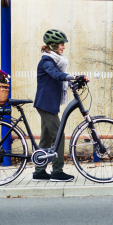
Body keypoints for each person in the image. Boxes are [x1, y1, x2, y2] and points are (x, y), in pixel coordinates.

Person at [32, 29, 88, 182]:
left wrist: (74, 80)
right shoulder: (46, 61)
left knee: (46, 137)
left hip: (48, 103)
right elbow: (56, 75)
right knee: (58, 135)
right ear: (53, 45)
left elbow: (59, 76)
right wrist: (73, 76)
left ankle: (39, 171)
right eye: (62, 44)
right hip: (45, 103)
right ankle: (57, 171)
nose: (64, 47)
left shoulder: (54, 60)